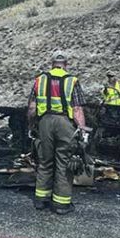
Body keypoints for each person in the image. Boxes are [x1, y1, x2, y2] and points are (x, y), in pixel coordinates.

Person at [28, 53, 88, 214]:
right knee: (64, 163)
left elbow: (32, 108)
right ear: (65, 64)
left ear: (52, 64)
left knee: (45, 161)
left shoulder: (40, 80)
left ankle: (41, 200)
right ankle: (61, 204)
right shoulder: (72, 81)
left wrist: (32, 125)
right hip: (64, 124)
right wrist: (82, 129)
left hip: (45, 123)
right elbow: (77, 109)